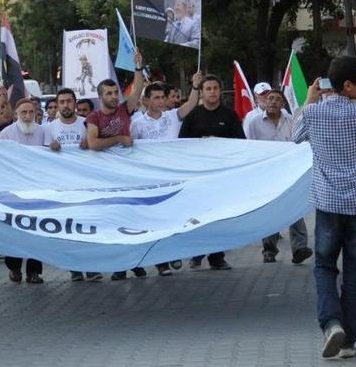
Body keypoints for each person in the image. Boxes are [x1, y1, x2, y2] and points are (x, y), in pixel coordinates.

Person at [292, 56, 356, 359]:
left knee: (325, 266)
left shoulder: (314, 112)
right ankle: (350, 340)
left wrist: (309, 100)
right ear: (348, 85)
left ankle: (331, 323)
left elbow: (295, 136)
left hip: (328, 202)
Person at [85, 51, 145, 281]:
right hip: (107, 179)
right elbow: (93, 143)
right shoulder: (94, 118)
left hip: (130, 176)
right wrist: (119, 139)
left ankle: (137, 262)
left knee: (134, 219)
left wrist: (138, 68)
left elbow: (138, 90)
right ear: (100, 96)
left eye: (115, 92)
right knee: (117, 222)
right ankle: (120, 265)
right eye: (108, 93)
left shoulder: (124, 109)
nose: (113, 96)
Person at [130, 78, 200, 276]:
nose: (161, 101)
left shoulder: (172, 117)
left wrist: (195, 85)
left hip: (173, 177)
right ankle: (161, 261)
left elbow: (192, 104)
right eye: (156, 98)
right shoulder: (137, 124)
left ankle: (172, 253)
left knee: (174, 217)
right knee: (155, 220)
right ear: (146, 101)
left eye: (162, 97)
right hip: (151, 180)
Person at [179, 74, 244, 271]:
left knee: (219, 217)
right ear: (202, 92)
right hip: (199, 176)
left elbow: (242, 143)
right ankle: (197, 254)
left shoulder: (230, 116)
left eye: (215, 88)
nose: (212, 92)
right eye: (208, 88)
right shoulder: (193, 115)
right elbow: (181, 144)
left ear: (220, 91)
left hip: (222, 176)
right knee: (198, 216)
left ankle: (217, 257)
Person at [245, 89, 313, 264]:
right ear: (264, 102)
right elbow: (249, 148)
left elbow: (298, 142)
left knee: (294, 208)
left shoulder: (291, 121)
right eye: (270, 99)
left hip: (289, 172)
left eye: (277, 99)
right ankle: (269, 249)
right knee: (269, 211)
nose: (273, 102)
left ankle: (299, 248)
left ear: (283, 104)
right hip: (265, 174)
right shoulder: (254, 123)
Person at [44, 88, 100, 281]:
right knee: (69, 228)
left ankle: (92, 267)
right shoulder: (50, 128)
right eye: (62, 102)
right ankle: (75, 267)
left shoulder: (86, 124)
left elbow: (98, 148)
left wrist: (90, 143)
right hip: (62, 186)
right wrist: (50, 148)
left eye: (69, 101)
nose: (66, 105)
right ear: (57, 105)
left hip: (85, 184)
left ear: (75, 103)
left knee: (88, 227)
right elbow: (41, 156)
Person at [0, 99, 48, 284]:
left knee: (37, 231)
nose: (28, 116)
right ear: (16, 114)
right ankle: (14, 267)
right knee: (15, 232)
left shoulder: (43, 131)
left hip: (38, 190)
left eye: (31, 112)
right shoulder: (6, 134)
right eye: (23, 113)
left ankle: (34, 272)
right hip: (15, 191)